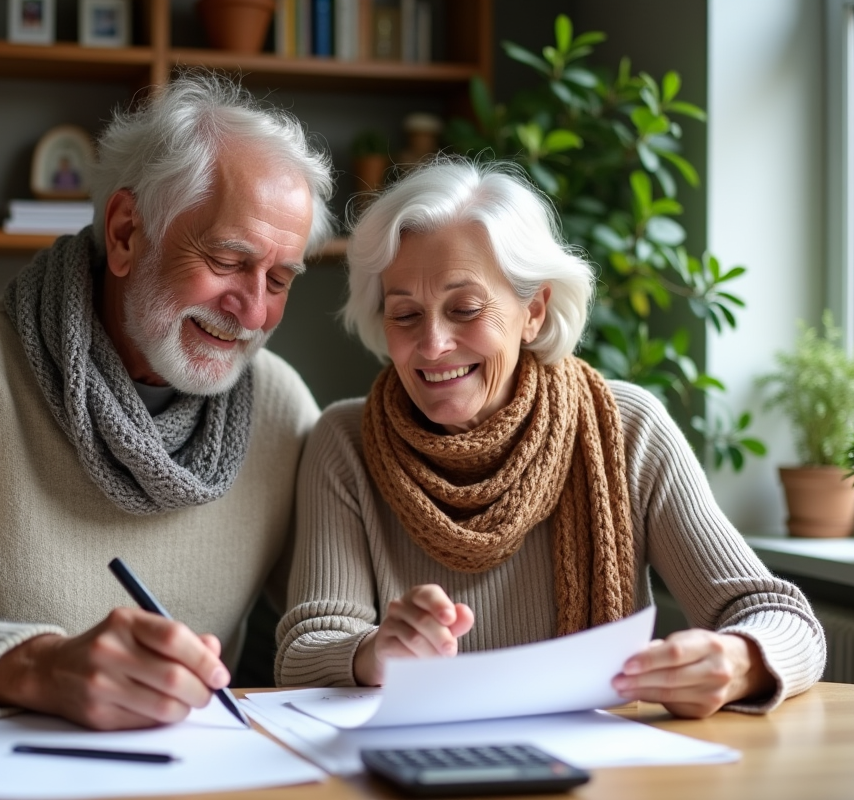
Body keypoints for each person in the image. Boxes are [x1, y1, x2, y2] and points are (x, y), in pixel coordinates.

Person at [0, 72, 335, 731]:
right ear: (127, 232)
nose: (253, 310)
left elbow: (333, 614)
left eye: (279, 278)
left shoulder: (280, 406)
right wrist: (34, 666)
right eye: (226, 259)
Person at [275, 159, 825, 718]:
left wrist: (738, 660)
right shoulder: (345, 441)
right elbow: (303, 652)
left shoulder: (628, 429)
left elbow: (780, 617)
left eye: (464, 309)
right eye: (405, 314)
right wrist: (373, 653)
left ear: (533, 311)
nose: (433, 343)